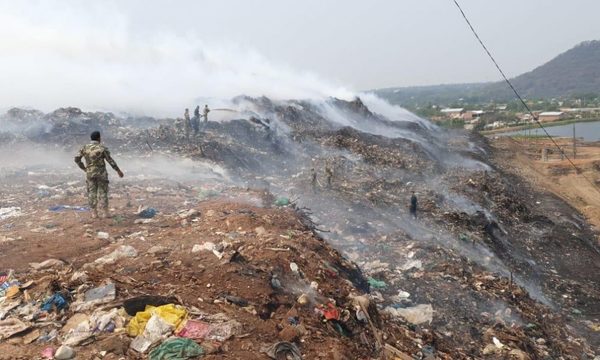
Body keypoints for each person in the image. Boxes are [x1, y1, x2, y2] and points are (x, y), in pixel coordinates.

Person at [74, 131, 124, 219]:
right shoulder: (102, 148)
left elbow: (77, 159)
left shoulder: (85, 148)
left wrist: (84, 168)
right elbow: (110, 160)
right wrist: (118, 170)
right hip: (101, 173)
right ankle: (105, 213)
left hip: (90, 173)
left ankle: (94, 213)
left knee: (92, 192)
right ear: (99, 138)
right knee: (103, 192)